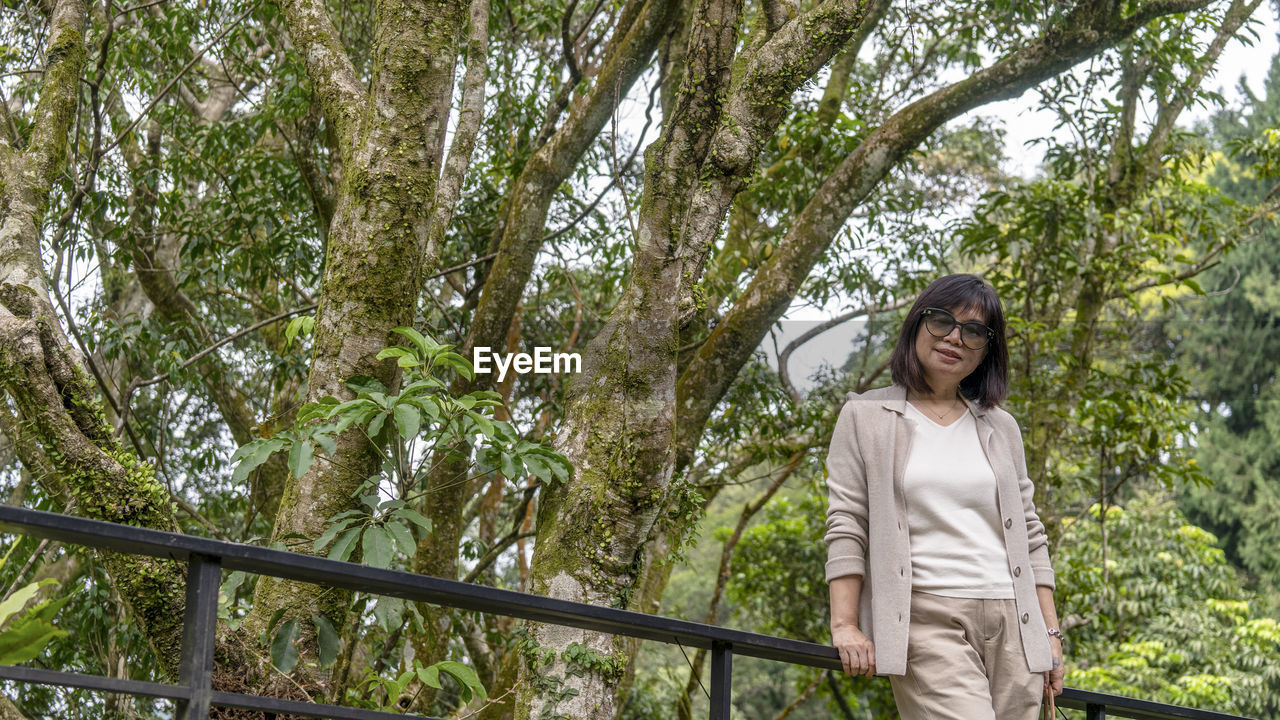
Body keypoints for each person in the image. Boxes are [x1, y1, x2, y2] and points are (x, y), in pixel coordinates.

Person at [824, 273, 1064, 720]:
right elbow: (847, 524)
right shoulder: (865, 417)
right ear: (917, 324)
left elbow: (1031, 534)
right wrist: (846, 625)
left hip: (1016, 622)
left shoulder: (1000, 427)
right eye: (942, 321)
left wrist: (1050, 633)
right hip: (926, 619)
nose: (955, 337)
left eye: (974, 331)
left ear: (987, 350)